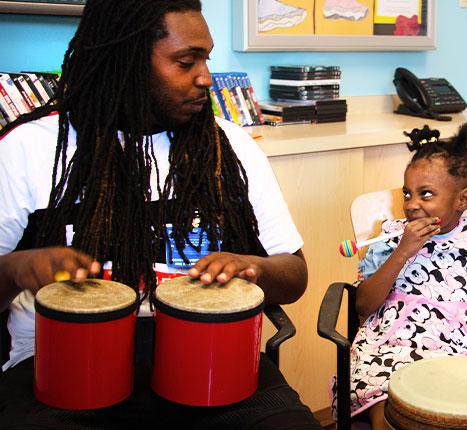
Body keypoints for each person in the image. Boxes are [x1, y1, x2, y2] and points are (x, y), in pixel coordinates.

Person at [0, 0, 320, 428]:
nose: (205, 78)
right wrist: (20, 267)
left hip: (210, 360)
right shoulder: (29, 149)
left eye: (206, 59)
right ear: (126, 60)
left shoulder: (230, 147)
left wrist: (254, 267)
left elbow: (294, 277)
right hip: (63, 367)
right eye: (186, 62)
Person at [342, 122, 467, 429]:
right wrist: (402, 252)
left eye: (426, 195)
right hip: (387, 348)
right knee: (386, 411)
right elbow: (363, 306)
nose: (412, 205)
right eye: (407, 194)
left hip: (452, 352)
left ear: (462, 200)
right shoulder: (389, 237)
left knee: (459, 411)